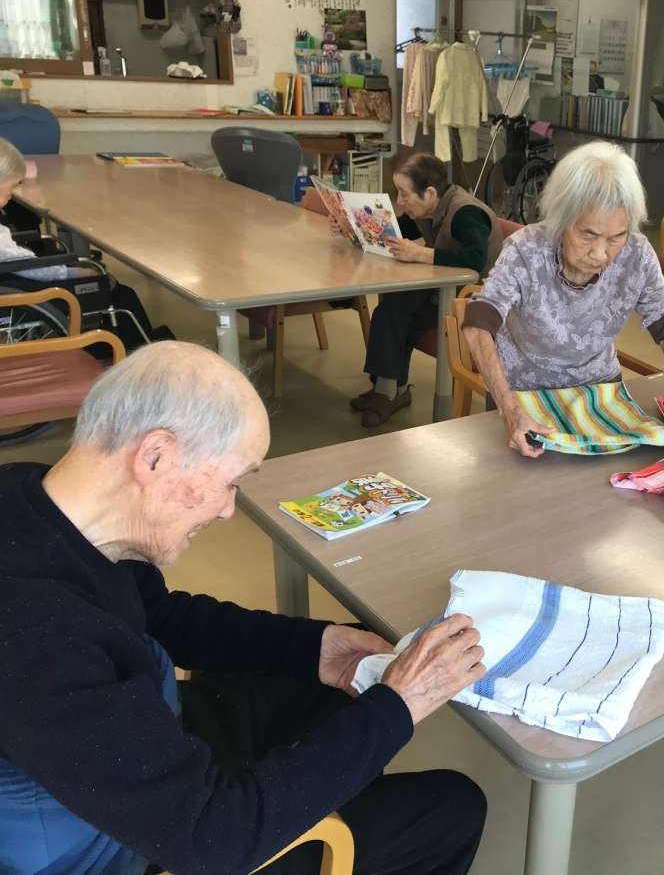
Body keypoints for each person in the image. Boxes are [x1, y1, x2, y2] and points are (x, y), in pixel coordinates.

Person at [0, 342, 488, 874]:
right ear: (155, 455)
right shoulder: (35, 640)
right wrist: (401, 704)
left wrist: (313, 647)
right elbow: (213, 838)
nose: (229, 509)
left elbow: (159, 615)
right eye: (229, 482)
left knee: (348, 679)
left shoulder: (33, 496)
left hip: (133, 739)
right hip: (135, 844)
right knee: (453, 807)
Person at [461, 142, 664, 458]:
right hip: (523, 392)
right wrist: (509, 408)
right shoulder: (525, 250)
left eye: (616, 237)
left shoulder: (637, 254)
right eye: (588, 235)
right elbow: (479, 321)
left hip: (599, 390)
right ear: (562, 219)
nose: (600, 253)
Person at [351, 152, 503, 427]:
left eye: (404, 194)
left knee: (397, 314)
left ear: (430, 193)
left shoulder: (466, 213)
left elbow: (475, 259)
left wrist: (421, 254)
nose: (399, 201)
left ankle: (388, 391)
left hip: (473, 300)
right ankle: (388, 390)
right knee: (392, 306)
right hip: (443, 288)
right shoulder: (428, 208)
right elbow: (396, 230)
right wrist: (352, 227)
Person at [0, 138, 171, 349]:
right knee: (116, 289)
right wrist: (78, 273)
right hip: (19, 287)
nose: (10, 196)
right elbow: (29, 267)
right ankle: (139, 348)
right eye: (10, 188)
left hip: (14, 279)